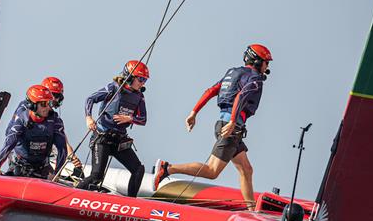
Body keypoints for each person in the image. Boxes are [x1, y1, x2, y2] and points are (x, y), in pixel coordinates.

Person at [153, 44, 272, 210]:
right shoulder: (254, 78)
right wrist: (232, 122)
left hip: (228, 126)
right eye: (266, 62)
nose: (268, 67)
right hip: (231, 128)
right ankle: (168, 168)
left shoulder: (233, 72)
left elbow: (211, 90)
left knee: (246, 169)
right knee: (211, 171)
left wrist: (193, 112)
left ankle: (251, 210)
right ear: (258, 61)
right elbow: (241, 96)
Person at [76, 60, 148, 197]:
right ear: (130, 76)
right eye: (141, 79)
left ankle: (131, 203)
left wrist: (130, 119)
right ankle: (73, 194)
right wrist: (88, 118)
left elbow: (143, 120)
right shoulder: (114, 88)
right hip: (102, 138)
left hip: (119, 140)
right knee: (96, 176)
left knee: (138, 169)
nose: (143, 83)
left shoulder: (139, 96)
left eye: (145, 80)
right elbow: (90, 99)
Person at [9, 77, 83, 177]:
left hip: (39, 158)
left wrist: (70, 153)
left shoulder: (51, 115)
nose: (55, 99)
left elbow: (60, 134)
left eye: (58, 96)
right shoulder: (26, 105)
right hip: (20, 153)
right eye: (54, 95)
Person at [0, 84, 67, 179]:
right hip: (20, 166)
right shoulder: (21, 119)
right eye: (43, 104)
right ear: (32, 105)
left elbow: (62, 148)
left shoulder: (55, 121)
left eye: (49, 103)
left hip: (43, 167)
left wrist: (56, 174)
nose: (47, 107)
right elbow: (9, 143)